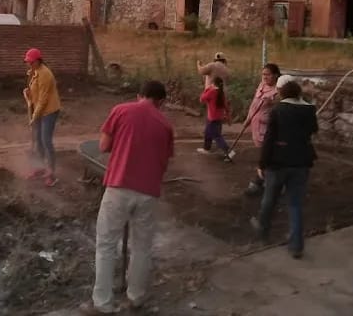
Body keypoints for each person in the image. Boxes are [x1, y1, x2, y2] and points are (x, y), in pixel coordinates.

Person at [80, 80, 175, 315]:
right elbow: (165, 161)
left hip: (119, 186)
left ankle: (102, 303)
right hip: (148, 192)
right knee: (142, 246)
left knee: (106, 244)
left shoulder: (122, 110)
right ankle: (136, 298)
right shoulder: (166, 125)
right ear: (161, 102)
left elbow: (103, 146)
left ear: (139, 95)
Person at [250, 75, 318, 259]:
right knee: (295, 204)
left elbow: (269, 139)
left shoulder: (278, 110)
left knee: (269, 198)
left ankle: (263, 231)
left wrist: (262, 163)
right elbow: (313, 130)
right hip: (301, 162)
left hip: (278, 162)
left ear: (282, 93)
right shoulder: (309, 109)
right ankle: (296, 246)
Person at [22, 48, 61, 187]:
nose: (29, 64)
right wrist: (28, 94)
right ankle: (40, 167)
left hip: (49, 111)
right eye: (28, 62)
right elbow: (36, 93)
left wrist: (34, 116)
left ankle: (51, 174)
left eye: (31, 62)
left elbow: (43, 100)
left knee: (46, 141)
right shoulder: (34, 72)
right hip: (39, 109)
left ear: (38, 61)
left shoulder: (45, 75)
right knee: (38, 140)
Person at [244, 63, 281, 196]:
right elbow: (254, 103)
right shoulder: (262, 85)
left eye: (268, 74)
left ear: (275, 75)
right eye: (263, 74)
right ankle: (266, 179)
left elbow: (280, 107)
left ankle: (262, 181)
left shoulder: (279, 90)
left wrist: (273, 101)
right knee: (264, 152)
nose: (265, 77)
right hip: (256, 125)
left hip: (269, 127)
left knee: (268, 153)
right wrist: (248, 118)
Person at [196, 76, 235, 161]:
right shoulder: (221, 93)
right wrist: (228, 116)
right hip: (218, 118)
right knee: (207, 132)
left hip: (212, 118)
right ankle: (206, 148)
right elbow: (226, 106)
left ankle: (229, 152)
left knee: (217, 136)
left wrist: (207, 89)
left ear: (213, 83)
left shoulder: (212, 91)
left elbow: (201, 99)